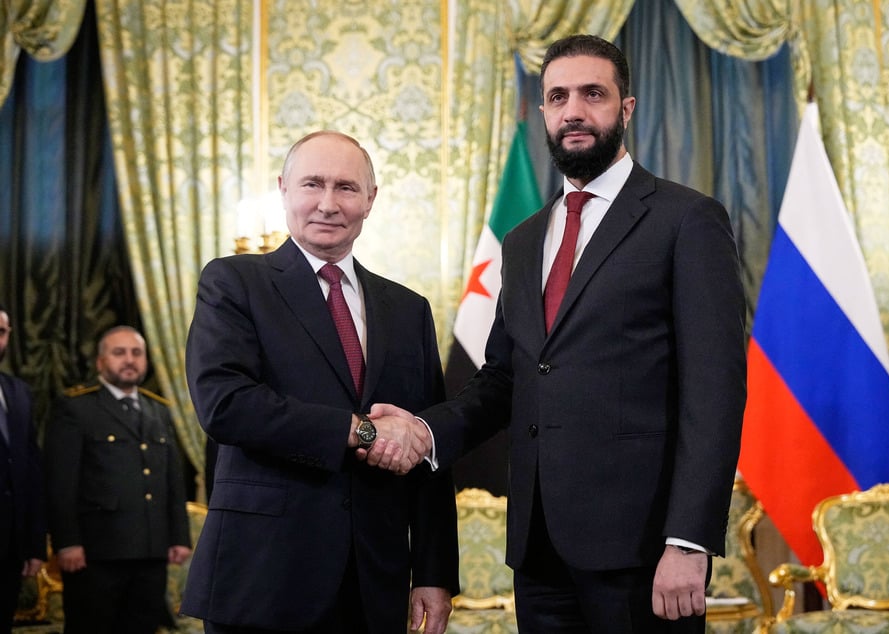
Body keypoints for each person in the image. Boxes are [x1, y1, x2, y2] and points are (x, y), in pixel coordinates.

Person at [366, 34, 747, 633]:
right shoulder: (522, 242)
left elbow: (715, 391)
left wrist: (688, 541)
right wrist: (423, 430)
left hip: (643, 552)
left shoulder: (687, 220)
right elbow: (502, 380)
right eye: (558, 96)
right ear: (543, 111)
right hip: (539, 549)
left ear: (626, 108)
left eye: (593, 94)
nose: (574, 110)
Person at [182, 130, 458, 634]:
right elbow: (225, 404)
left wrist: (435, 573)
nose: (328, 204)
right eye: (313, 184)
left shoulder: (409, 310)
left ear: (371, 200)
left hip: (374, 581)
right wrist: (362, 431)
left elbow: (425, 444)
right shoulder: (233, 282)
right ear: (283, 188)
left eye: (347, 188)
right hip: (263, 576)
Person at [44, 325, 192, 634]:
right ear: (100, 362)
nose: (129, 360)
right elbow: (60, 483)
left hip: (151, 551)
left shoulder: (158, 410)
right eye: (119, 352)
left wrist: (179, 536)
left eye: (136, 353)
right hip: (96, 554)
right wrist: (68, 543)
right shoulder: (76, 408)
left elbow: (172, 480)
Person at [0, 304, 45, 634]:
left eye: (1, 332)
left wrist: (33, 545)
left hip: (10, 550)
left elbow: (30, 471)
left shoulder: (18, 392)